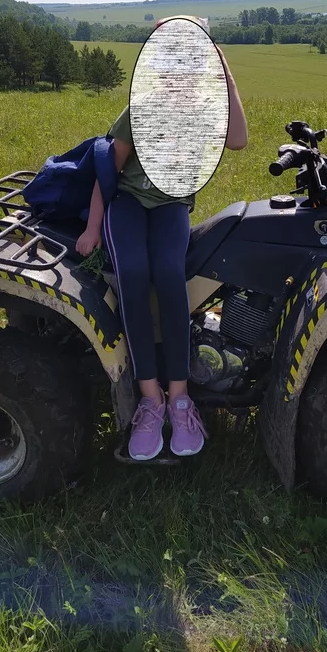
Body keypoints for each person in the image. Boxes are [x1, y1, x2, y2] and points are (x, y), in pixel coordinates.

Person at [75, 27, 248, 461]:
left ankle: (180, 398)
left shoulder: (205, 110)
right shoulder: (141, 110)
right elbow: (109, 173)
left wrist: (224, 70)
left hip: (172, 204)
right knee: (134, 274)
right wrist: (93, 228)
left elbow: (239, 140)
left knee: (170, 274)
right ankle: (150, 400)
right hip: (129, 203)